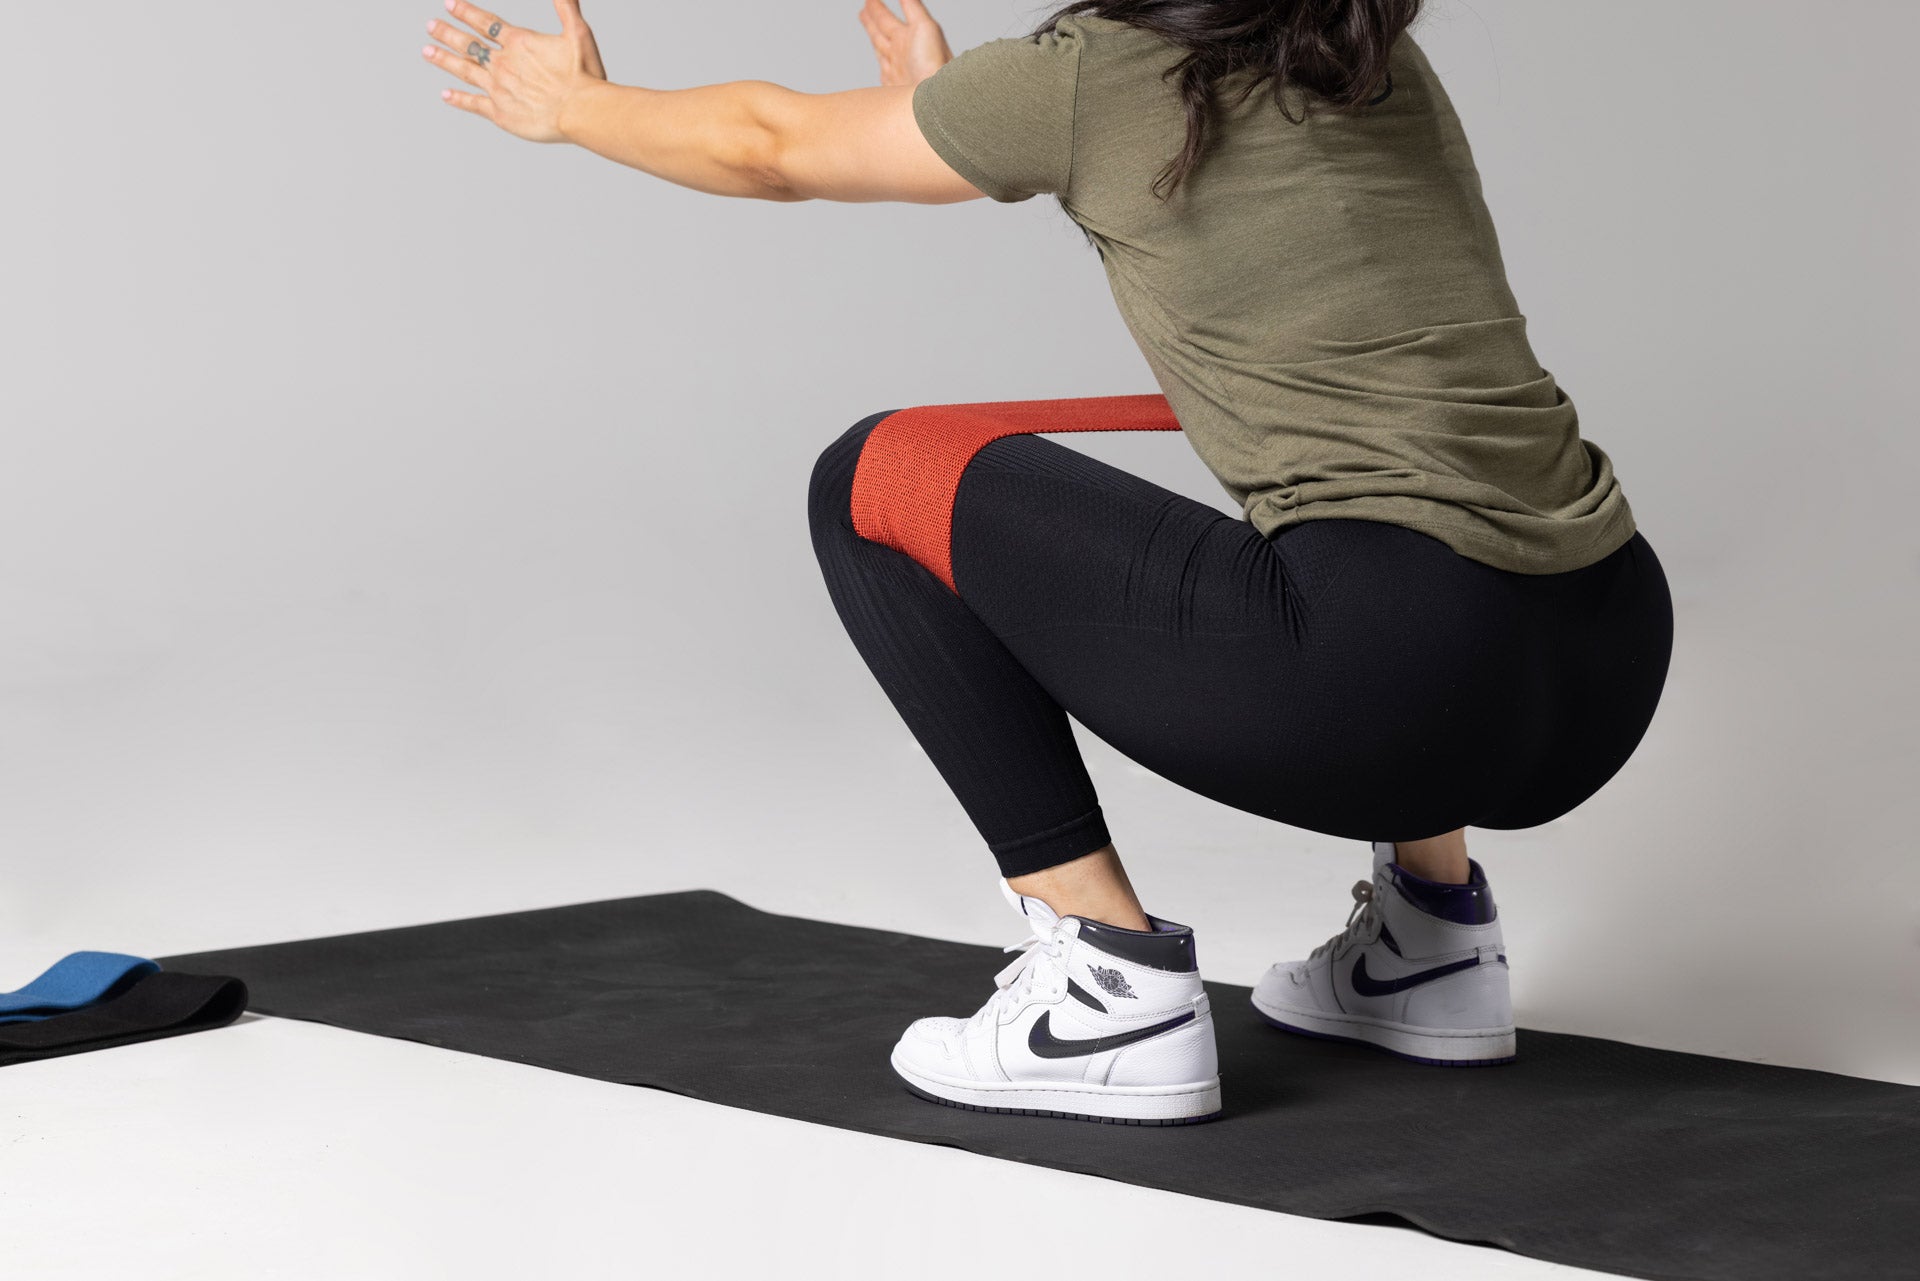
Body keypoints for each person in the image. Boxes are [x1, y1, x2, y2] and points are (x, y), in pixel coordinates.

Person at [422, 0, 1675, 1125]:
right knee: (1357, 515)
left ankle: (1109, 982)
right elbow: (1204, 217)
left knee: (874, 478)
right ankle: (1433, 944)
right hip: (1606, 653)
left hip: (1390, 682)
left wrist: (579, 107)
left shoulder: (1101, 71)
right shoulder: (1359, 48)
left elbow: (769, 144)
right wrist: (952, 100)